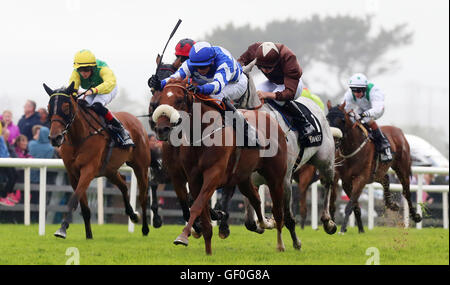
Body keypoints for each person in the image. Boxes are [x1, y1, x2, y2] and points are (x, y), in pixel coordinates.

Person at [148, 41, 261, 148]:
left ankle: (247, 131)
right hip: (210, 82)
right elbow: (175, 77)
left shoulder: (224, 63)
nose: (200, 69)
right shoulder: (191, 63)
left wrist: (200, 89)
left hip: (235, 83)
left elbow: (217, 86)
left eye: (203, 66)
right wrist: (159, 83)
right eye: (196, 67)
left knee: (216, 96)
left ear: (212, 61)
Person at [238, 42, 315, 145]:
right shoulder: (254, 50)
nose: (266, 71)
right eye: (262, 67)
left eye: (269, 68)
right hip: (273, 82)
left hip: (292, 85)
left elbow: (290, 93)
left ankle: (304, 123)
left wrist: (268, 95)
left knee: (276, 99)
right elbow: (239, 63)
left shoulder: (289, 58)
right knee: (254, 95)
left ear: (277, 61)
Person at [69, 49, 134, 148]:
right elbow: (73, 87)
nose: (83, 73)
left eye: (86, 69)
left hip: (109, 89)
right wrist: (72, 94)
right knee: (81, 105)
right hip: (92, 90)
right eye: (80, 70)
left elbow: (110, 83)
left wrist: (93, 90)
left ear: (92, 67)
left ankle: (121, 130)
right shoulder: (76, 73)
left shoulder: (102, 68)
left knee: (97, 105)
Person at [342, 73, 392, 162]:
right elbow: (344, 108)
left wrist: (363, 115)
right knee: (352, 119)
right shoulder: (349, 94)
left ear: (365, 88)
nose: (356, 93)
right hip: (363, 108)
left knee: (366, 119)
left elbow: (377, 109)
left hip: (377, 109)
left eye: (359, 90)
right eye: (354, 90)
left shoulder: (374, 91)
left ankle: (384, 144)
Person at [0, 122, 19, 206]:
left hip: (6, 160)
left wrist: (8, 156)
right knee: (11, 177)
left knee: (15, 175)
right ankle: (3, 196)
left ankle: (9, 193)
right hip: (3, 161)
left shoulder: (2, 138)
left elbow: (5, 150)